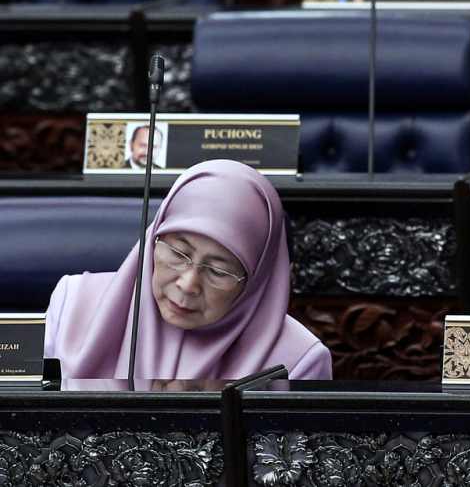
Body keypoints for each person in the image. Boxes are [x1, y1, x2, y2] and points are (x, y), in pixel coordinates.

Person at [44, 159, 332, 380]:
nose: (188, 284)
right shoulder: (73, 303)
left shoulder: (297, 361)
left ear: (255, 283)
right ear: (153, 240)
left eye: (218, 271)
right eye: (178, 254)